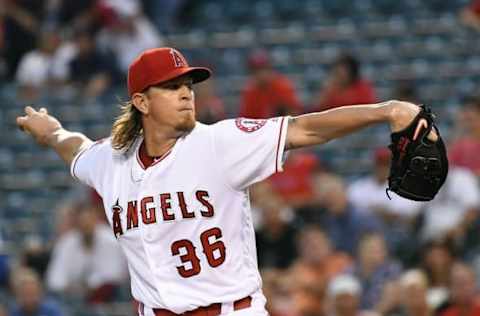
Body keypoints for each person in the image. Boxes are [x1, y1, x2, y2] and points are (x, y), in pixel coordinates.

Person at [16, 46, 432, 315]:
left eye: (189, 85)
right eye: (172, 86)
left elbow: (306, 129)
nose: (186, 93)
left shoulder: (218, 143)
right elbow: (74, 147)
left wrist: (388, 111)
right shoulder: (113, 160)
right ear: (141, 101)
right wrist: (49, 130)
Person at [239, 49, 303, 119]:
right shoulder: (250, 92)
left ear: (270, 68)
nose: (261, 73)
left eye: (264, 69)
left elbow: (294, 115)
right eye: (256, 70)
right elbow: (246, 119)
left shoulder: (283, 87)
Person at [312, 54, 377, 111]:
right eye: (337, 73)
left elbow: (368, 110)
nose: (339, 77)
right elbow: (318, 110)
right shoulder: (331, 88)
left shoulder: (363, 88)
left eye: (342, 74)